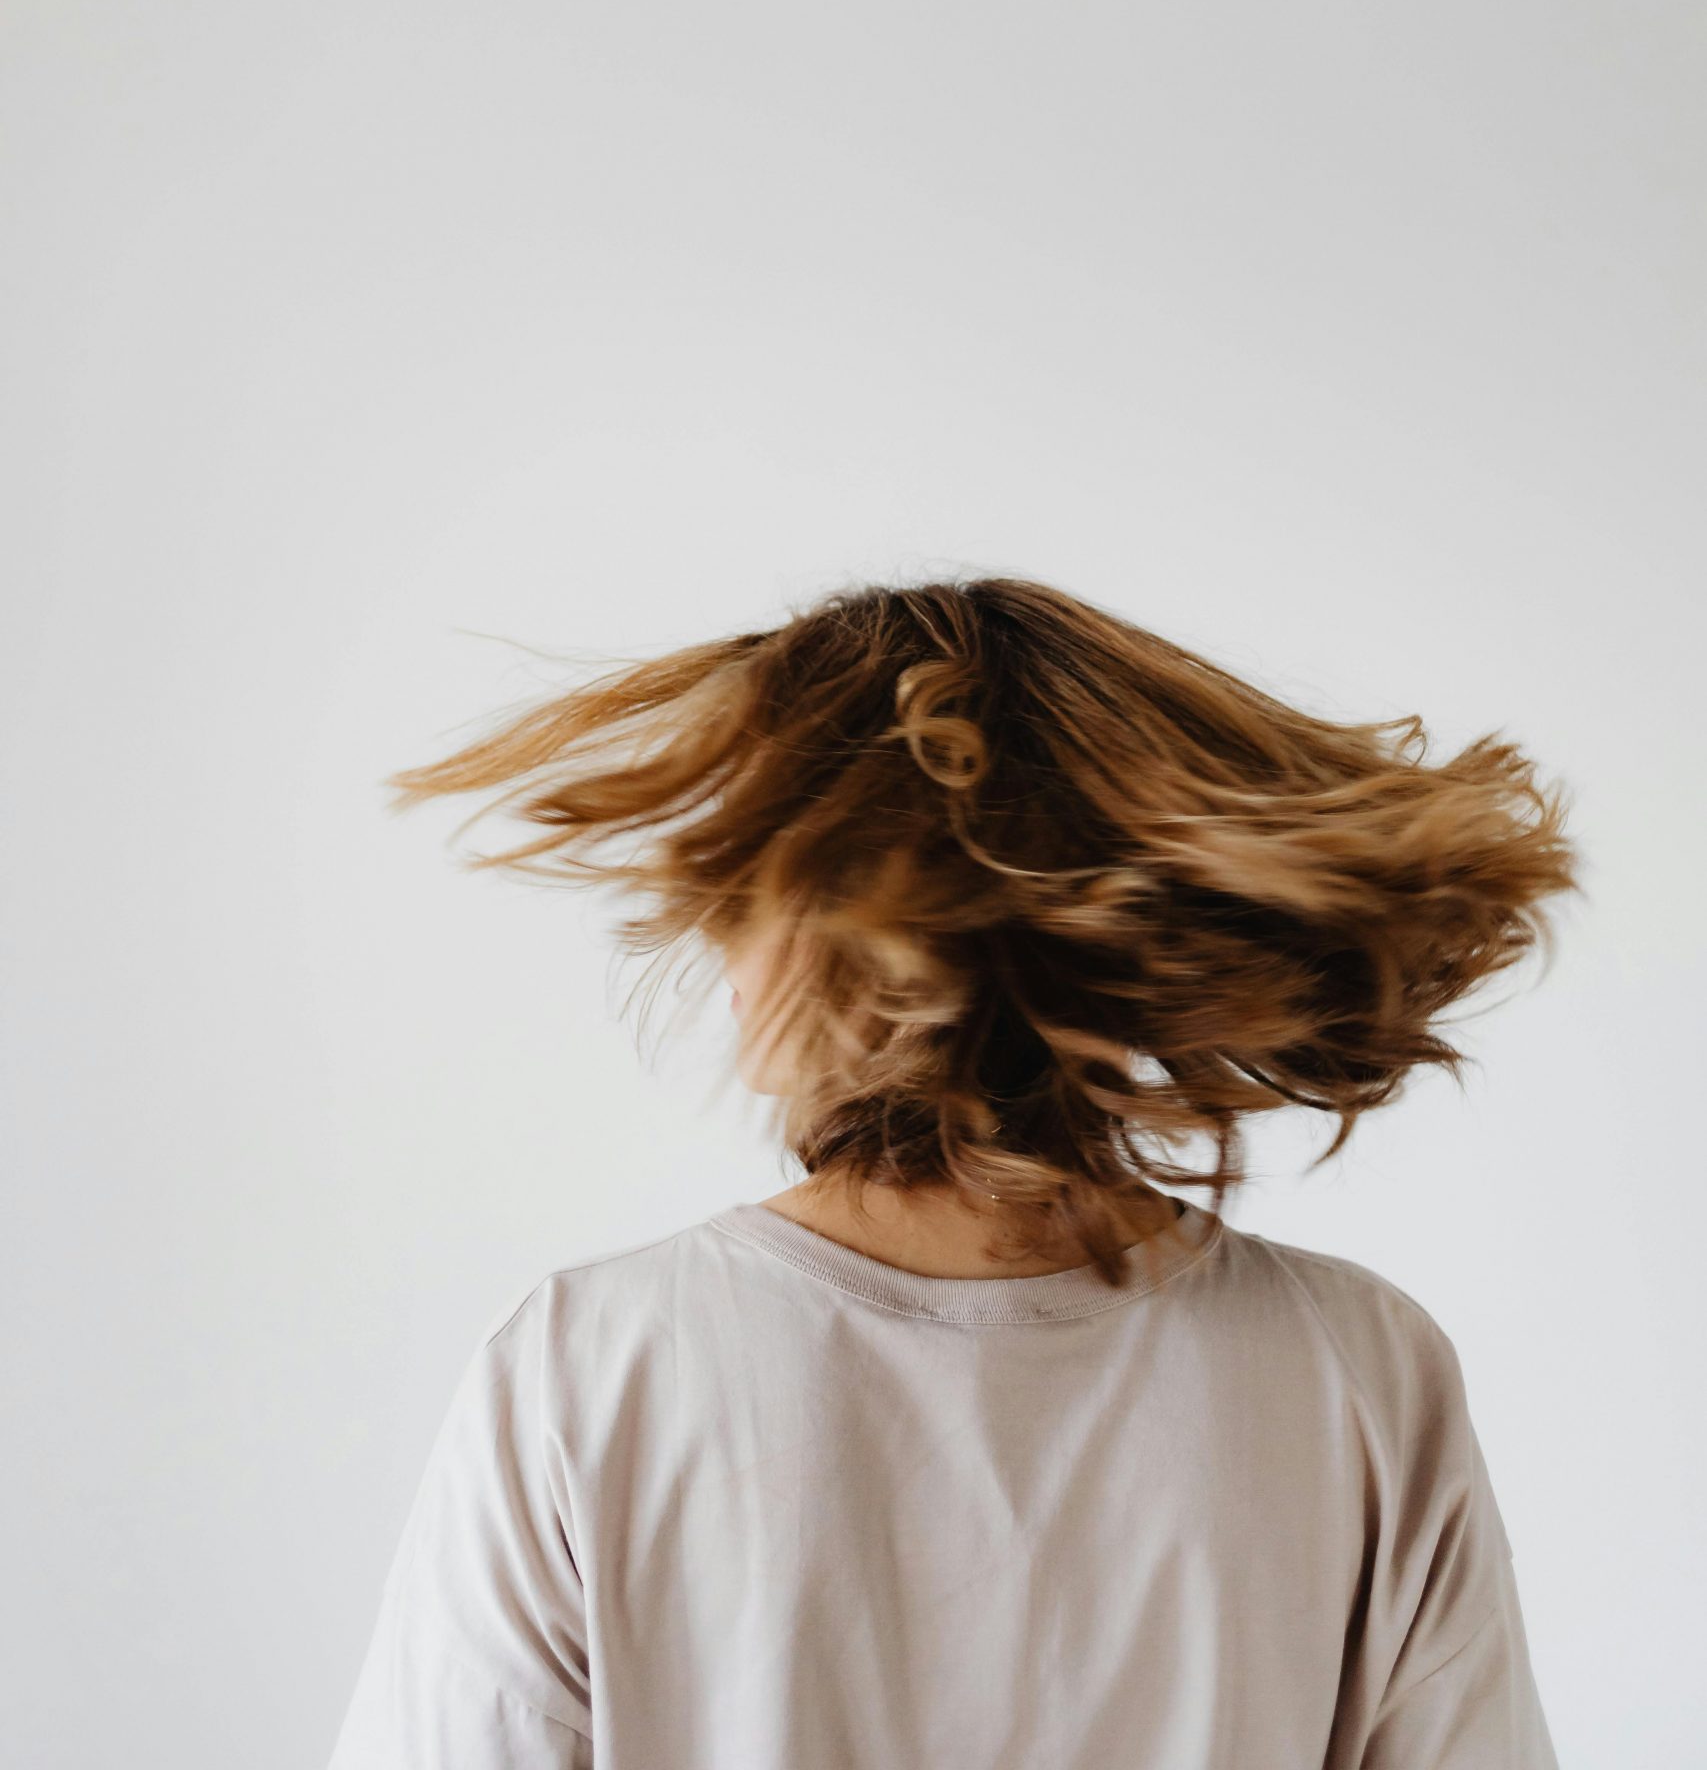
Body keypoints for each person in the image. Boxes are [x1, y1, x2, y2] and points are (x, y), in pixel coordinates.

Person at [326, 574, 1575, 1768]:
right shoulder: (1350, 1364)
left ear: (850, 911)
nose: (712, 925)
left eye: (743, 868)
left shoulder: (590, 1364)